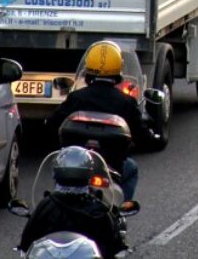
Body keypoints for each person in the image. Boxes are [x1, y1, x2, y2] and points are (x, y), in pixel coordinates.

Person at [46, 41, 148, 201]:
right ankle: (121, 211)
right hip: (112, 166)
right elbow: (142, 136)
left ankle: (60, 200)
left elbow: (52, 125)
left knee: (59, 174)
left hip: (77, 163)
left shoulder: (76, 97)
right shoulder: (126, 102)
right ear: (118, 69)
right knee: (131, 169)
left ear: (88, 68)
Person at [17, 146, 128, 259]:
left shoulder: (46, 205)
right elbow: (115, 248)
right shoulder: (99, 210)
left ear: (56, 173)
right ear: (88, 174)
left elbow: (26, 244)